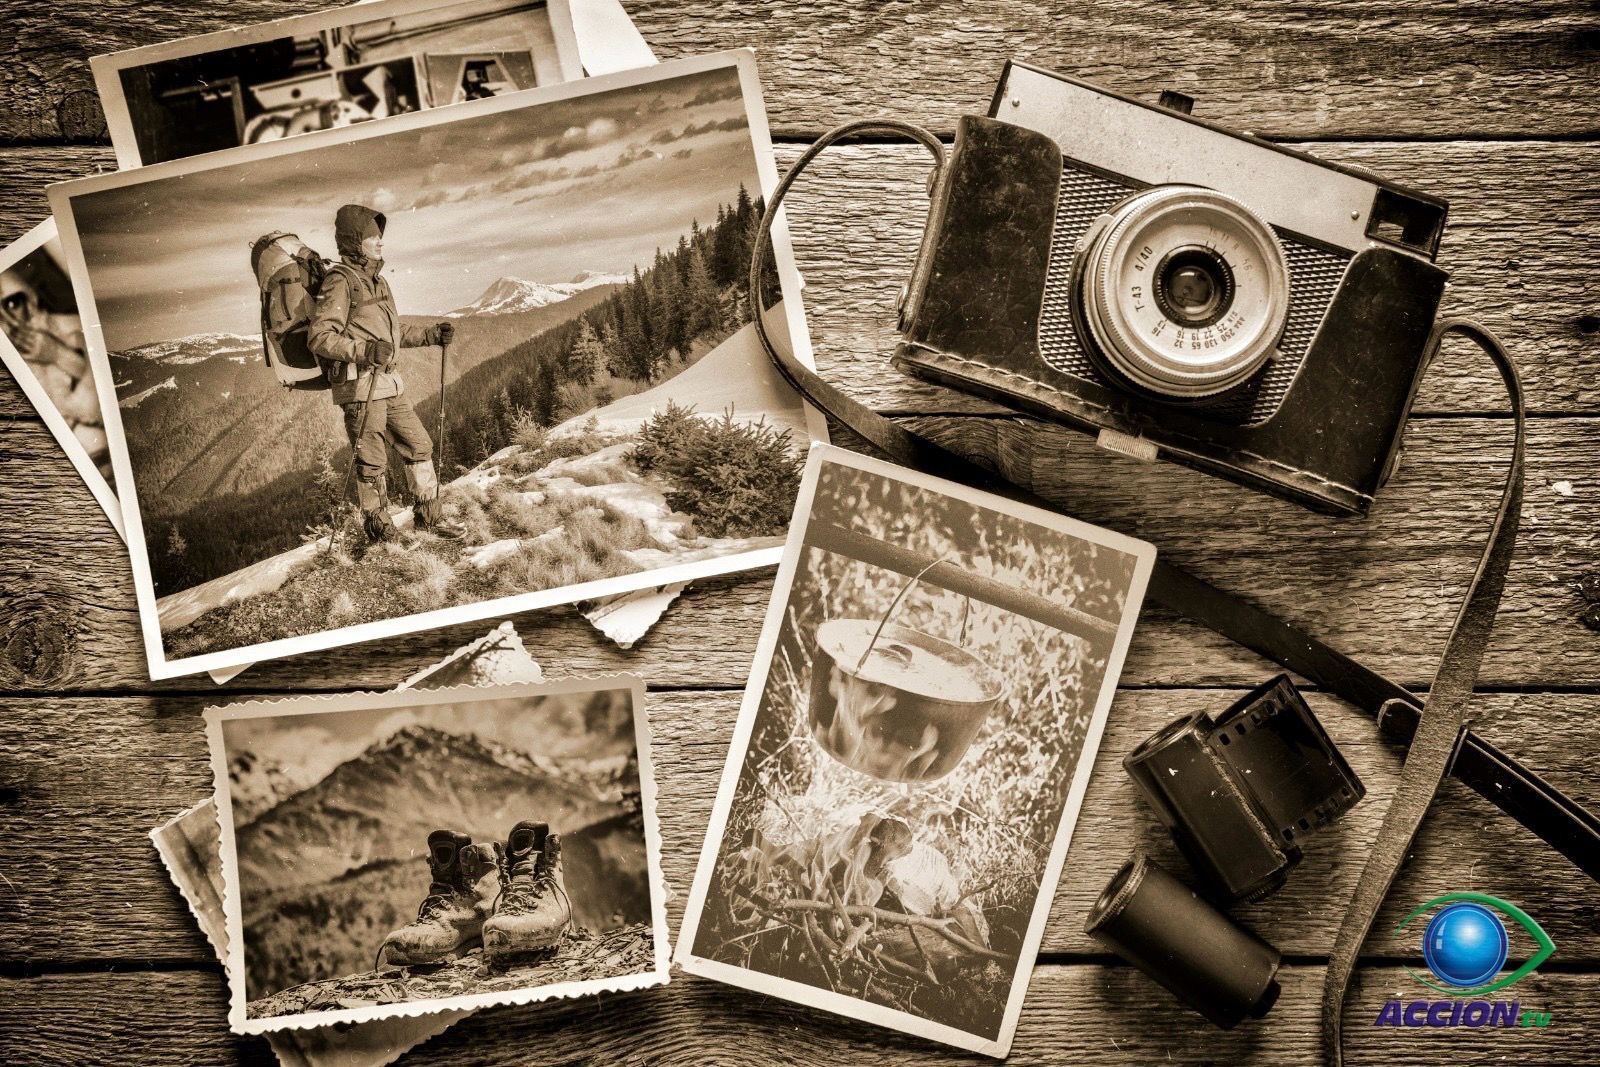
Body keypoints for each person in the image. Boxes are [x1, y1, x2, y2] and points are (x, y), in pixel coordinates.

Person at [308, 203, 465, 543]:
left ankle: (429, 519)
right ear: (354, 241)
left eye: (380, 237)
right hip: (361, 389)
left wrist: (431, 335)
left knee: (418, 444)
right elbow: (320, 337)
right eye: (372, 237)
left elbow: (391, 334)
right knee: (372, 462)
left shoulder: (377, 281)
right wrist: (363, 351)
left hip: (389, 385)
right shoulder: (340, 281)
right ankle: (382, 537)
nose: (380, 243)